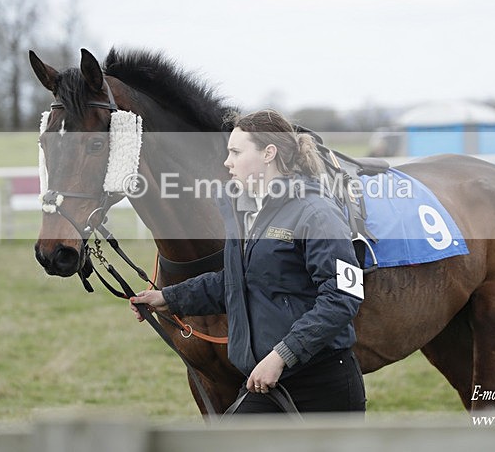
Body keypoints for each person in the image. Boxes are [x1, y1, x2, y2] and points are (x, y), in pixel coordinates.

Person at [130, 109, 366, 415]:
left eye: (236, 152)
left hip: (320, 386)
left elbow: (343, 297)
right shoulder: (245, 213)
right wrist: (168, 298)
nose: (227, 161)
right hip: (266, 380)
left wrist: (281, 355)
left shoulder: (316, 213)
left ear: (269, 153)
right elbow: (236, 281)